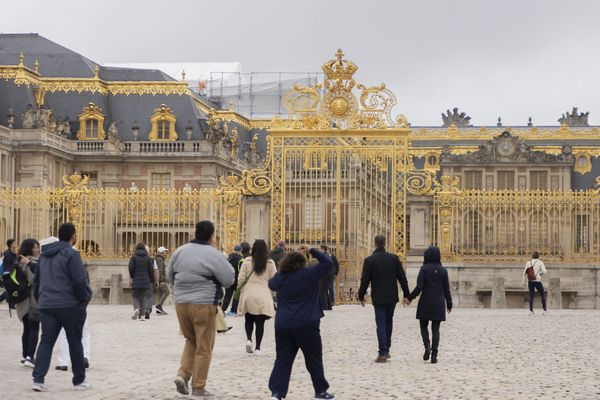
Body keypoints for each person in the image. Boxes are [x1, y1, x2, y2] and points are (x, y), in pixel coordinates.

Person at [167, 221, 235, 397]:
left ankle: (182, 375)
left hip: (181, 303)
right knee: (204, 346)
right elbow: (228, 279)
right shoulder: (213, 254)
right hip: (203, 303)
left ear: (194, 233)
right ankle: (198, 386)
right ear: (212, 236)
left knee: (191, 340)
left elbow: (169, 275)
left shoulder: (180, 251)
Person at [268, 244, 334, 400]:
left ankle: (277, 392)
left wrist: (282, 270)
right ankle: (320, 391)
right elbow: (328, 263)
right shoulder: (309, 274)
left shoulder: (281, 278)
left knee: (283, 359)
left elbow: (272, 284)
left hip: (284, 324)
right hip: (307, 323)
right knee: (313, 359)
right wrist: (312, 250)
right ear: (302, 263)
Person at [32, 223, 92, 392]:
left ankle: (38, 379)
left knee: (46, 342)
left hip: (47, 304)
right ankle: (78, 380)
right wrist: (84, 298)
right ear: (73, 236)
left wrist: (41, 299)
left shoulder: (44, 256)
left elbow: (37, 282)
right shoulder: (71, 254)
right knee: (74, 341)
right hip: (69, 304)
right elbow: (79, 280)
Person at [358, 235, 410, 363]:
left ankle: (383, 352)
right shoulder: (393, 258)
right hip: (392, 296)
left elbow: (365, 280)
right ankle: (386, 349)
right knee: (388, 321)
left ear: (375, 243)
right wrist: (407, 295)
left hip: (378, 296)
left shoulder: (369, 260)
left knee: (380, 322)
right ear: (385, 243)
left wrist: (361, 295)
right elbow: (402, 278)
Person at [406, 246, 453, 364]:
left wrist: (410, 298)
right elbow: (447, 289)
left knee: (423, 325)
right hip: (438, 302)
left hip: (426, 301)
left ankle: (427, 346)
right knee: (436, 329)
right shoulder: (443, 271)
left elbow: (419, 287)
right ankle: (434, 355)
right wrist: (449, 303)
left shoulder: (424, 269)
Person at [237, 239, 277, 356]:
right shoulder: (270, 262)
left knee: (248, 319)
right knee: (260, 323)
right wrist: (272, 293)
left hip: (249, 292)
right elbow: (274, 279)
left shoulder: (247, 261)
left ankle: (249, 339)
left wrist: (242, 290)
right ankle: (258, 348)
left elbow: (241, 278)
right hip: (263, 293)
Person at [15, 239, 40, 368]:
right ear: (29, 249)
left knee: (26, 329)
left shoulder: (18, 261)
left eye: (38, 247)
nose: (37, 250)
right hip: (31, 301)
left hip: (21, 300)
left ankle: (25, 356)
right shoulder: (32, 262)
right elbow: (33, 280)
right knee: (34, 329)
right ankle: (30, 357)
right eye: (35, 247)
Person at [128, 243, 154, 320]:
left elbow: (130, 268)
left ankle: (136, 309)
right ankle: (142, 316)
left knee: (135, 296)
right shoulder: (148, 258)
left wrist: (133, 276)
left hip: (136, 279)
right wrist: (149, 278)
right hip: (146, 280)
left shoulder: (133, 257)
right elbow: (151, 269)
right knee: (143, 297)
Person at [523, 251, 547, 315]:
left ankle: (531, 310)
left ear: (532, 256)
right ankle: (544, 310)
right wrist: (539, 274)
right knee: (542, 294)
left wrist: (524, 282)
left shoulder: (528, 262)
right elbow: (544, 271)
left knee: (531, 295)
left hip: (530, 281)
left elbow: (524, 272)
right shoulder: (540, 262)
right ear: (538, 256)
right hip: (537, 281)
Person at [222, 245, 242, 315]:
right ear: (240, 251)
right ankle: (233, 310)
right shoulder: (240, 259)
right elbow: (240, 271)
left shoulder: (229, 257)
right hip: (236, 280)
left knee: (227, 295)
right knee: (236, 296)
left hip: (229, 279)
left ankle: (223, 310)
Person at [1, 239, 18, 308]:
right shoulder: (8, 253)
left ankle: (11, 304)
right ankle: (11, 304)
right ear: (11, 245)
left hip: (13, 273)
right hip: (9, 274)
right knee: (12, 288)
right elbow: (7, 265)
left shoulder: (13, 253)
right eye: (14, 243)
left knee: (11, 289)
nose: (16, 244)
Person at [155, 246, 170, 314]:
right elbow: (160, 271)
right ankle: (158, 306)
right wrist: (162, 280)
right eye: (164, 252)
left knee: (160, 294)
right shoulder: (160, 260)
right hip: (161, 280)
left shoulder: (157, 259)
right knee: (167, 292)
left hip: (157, 280)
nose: (165, 253)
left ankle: (159, 309)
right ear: (162, 252)